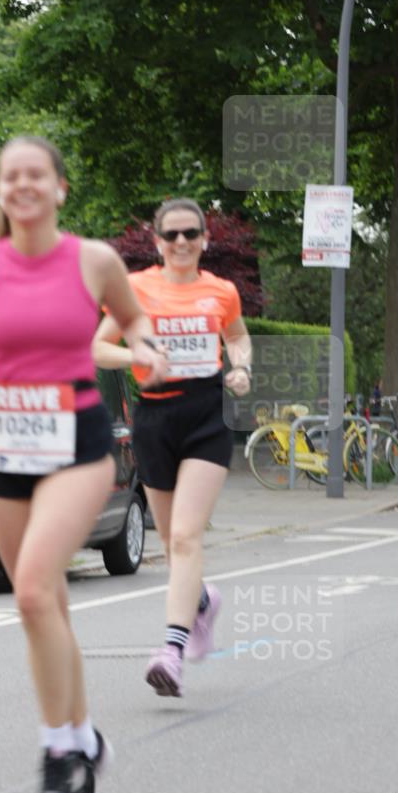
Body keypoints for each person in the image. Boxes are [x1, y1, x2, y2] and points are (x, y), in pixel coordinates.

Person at [0, 135, 167, 793]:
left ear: (59, 188)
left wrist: (147, 347)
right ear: (0, 193)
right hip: (0, 442)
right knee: (46, 604)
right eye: (10, 177)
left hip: (75, 442)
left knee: (31, 592)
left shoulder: (93, 261)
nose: (23, 186)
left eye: (36, 175)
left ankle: (59, 747)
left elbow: (134, 320)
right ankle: (85, 736)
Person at [93, 198, 252, 697]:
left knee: (185, 537)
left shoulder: (221, 291)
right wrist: (137, 352)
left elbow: (238, 336)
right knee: (170, 542)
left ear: (204, 240)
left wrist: (242, 366)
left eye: (190, 234)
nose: (181, 243)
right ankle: (202, 601)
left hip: (206, 414)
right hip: (154, 416)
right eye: (171, 235)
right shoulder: (135, 289)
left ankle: (170, 651)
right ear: (157, 242)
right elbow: (97, 347)